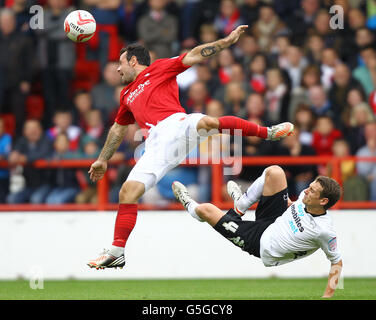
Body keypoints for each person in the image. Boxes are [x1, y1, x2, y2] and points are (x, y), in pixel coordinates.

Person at [87, 25, 295, 269]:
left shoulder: (160, 67)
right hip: (156, 144)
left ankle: (265, 132)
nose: (118, 69)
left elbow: (195, 54)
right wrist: (102, 159)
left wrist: (226, 41)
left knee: (208, 121)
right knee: (127, 192)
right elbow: (118, 129)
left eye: (120, 63)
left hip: (177, 124)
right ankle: (117, 251)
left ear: (133, 61)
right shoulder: (126, 96)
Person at [171, 165, 343, 298]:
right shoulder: (304, 199)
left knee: (205, 210)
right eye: (309, 186)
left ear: (323, 201)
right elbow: (293, 207)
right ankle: (240, 206)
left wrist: (328, 295)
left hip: (261, 243)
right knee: (275, 171)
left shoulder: (324, 231)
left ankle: (190, 205)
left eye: (312, 190)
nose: (306, 190)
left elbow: (337, 262)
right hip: (275, 219)